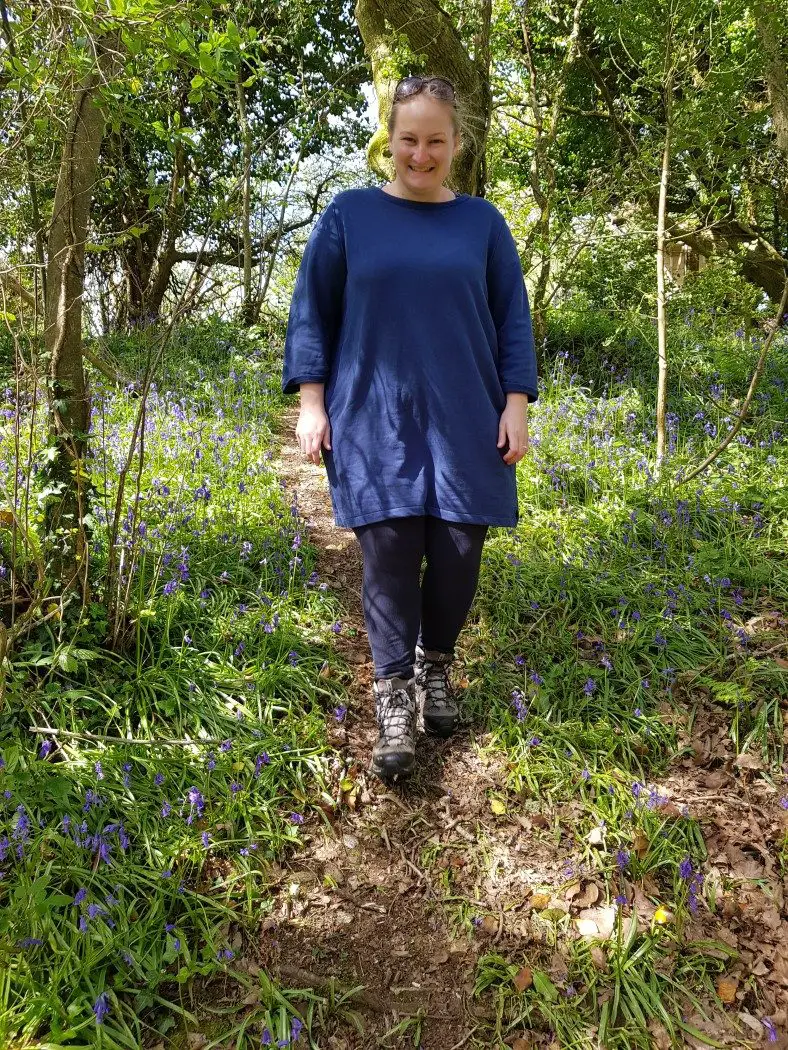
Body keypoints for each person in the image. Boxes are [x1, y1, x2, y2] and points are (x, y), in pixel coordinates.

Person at [282, 75, 538, 782]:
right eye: (407, 140)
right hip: (375, 417)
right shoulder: (349, 216)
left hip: (467, 416)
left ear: (456, 144)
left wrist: (516, 402)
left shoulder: (483, 223)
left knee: (458, 553)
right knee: (391, 553)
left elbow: (513, 320)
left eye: (434, 141)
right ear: (387, 142)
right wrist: (312, 402)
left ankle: (436, 667)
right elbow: (313, 312)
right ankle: (391, 693)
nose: (420, 155)